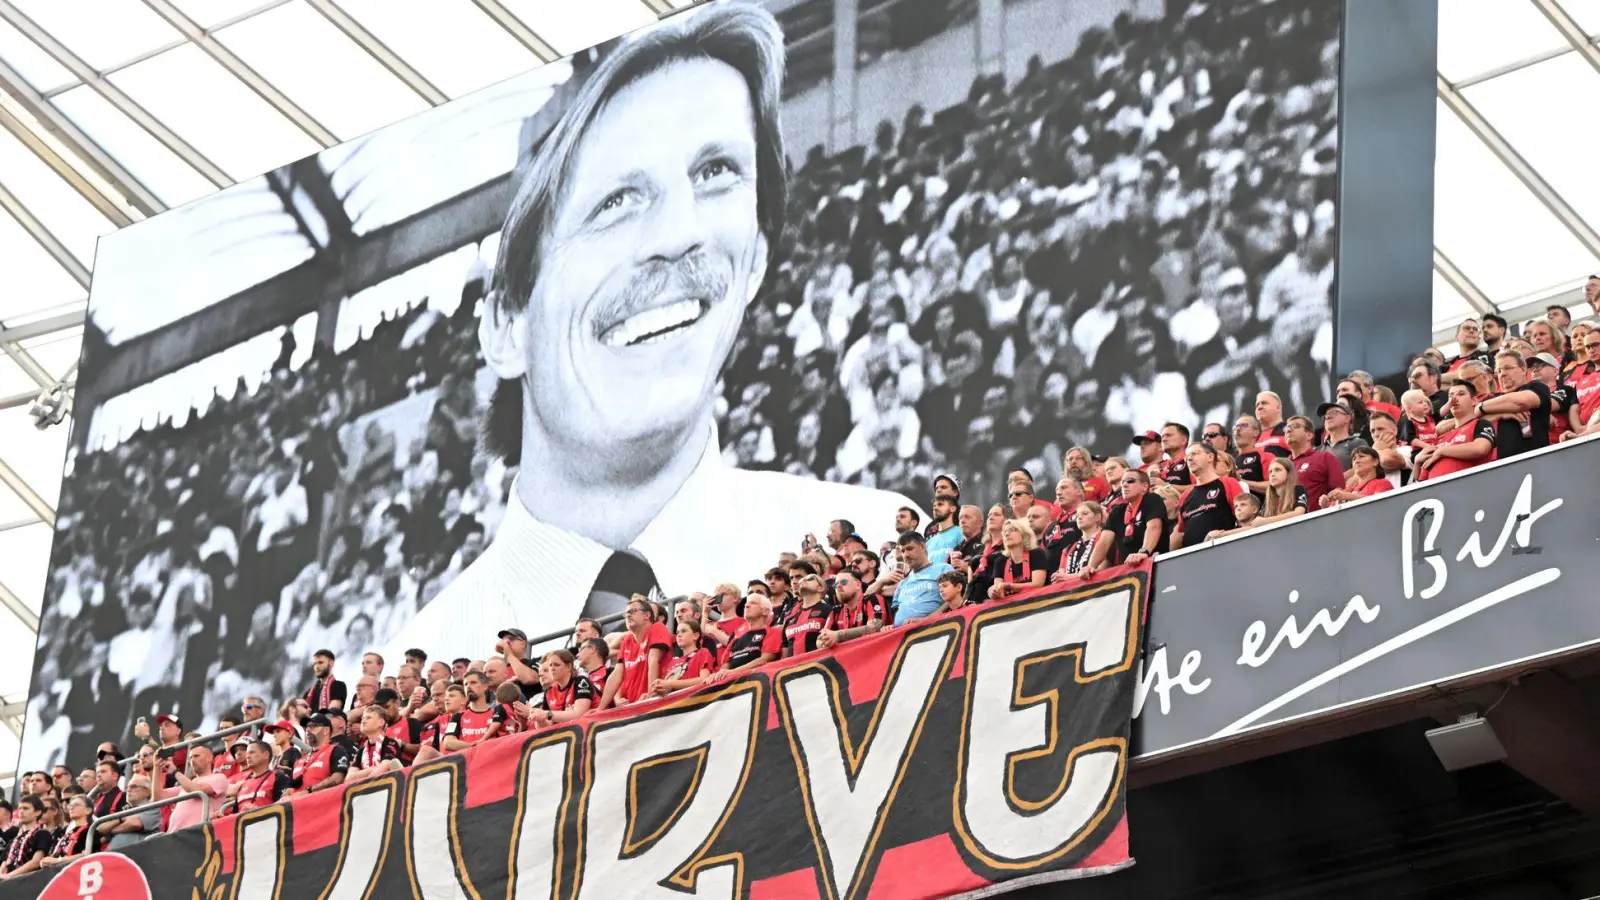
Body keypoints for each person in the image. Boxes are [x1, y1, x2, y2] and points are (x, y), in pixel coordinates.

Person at [389, 4, 917, 660]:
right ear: (505, 326)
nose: (679, 234)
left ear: (754, 260)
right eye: (613, 202)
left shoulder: (879, 551)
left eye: (716, 174)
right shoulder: (404, 677)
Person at [598, 597, 673, 710]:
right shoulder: (627, 640)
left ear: (646, 615)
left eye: (632, 611)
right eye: (626, 613)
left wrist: (650, 695)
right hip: (631, 705)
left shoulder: (657, 628)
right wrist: (600, 708)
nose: (628, 615)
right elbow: (617, 674)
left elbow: (654, 660)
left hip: (653, 703)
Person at [874, 531, 952, 624]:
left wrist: (927, 620)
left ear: (923, 547)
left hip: (931, 629)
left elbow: (954, 599)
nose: (906, 555)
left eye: (910, 549)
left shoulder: (943, 568)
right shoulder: (903, 583)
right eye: (903, 551)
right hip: (901, 634)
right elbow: (867, 595)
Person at [0, 796, 50, 880]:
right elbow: (4, 862)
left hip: (29, 882)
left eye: (26, 808)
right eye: (19, 808)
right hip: (9, 882)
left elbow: (36, 862)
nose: (21, 812)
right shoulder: (15, 838)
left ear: (37, 812)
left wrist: (10, 876)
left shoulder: (43, 834)